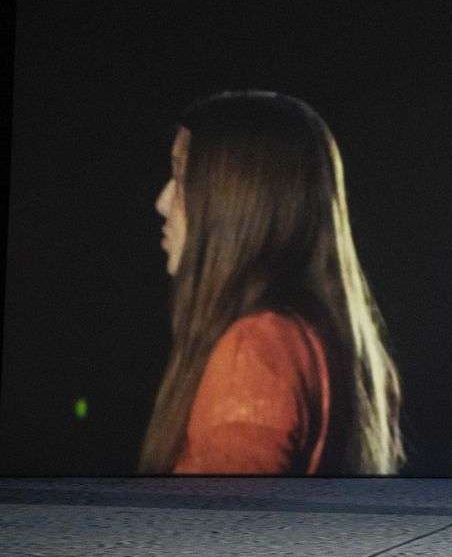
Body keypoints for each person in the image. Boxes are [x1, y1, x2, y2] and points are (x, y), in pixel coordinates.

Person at [138, 91, 405, 475]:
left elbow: (226, 514)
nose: (162, 202)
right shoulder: (320, 339)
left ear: (239, 199)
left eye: (182, 178)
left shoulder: (254, 350)